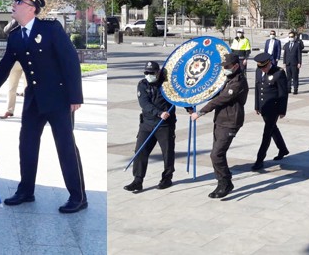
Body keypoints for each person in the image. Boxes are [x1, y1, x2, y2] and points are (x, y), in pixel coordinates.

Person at [0, 0, 87, 213]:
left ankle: (78, 196)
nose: (13, 6)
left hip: (58, 99)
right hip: (33, 101)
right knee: (26, 144)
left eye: (17, 2)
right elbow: (3, 69)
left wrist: (75, 96)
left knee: (65, 147)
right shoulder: (15, 36)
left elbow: (70, 61)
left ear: (31, 8)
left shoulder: (51, 29)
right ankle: (26, 190)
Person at [190, 53, 248, 199]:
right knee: (216, 154)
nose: (225, 69)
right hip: (220, 120)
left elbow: (221, 100)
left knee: (216, 154)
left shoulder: (238, 82)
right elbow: (214, 94)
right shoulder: (228, 79)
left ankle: (226, 182)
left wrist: (201, 112)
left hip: (230, 122)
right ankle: (222, 183)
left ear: (235, 66)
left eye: (227, 67)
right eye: (224, 67)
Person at [123, 61, 176, 192]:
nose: (148, 75)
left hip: (164, 125)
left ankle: (167, 178)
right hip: (147, 124)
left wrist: (190, 109)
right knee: (140, 151)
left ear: (158, 73)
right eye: (146, 72)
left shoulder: (167, 85)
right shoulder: (142, 84)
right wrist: (159, 113)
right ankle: (138, 180)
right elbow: (144, 103)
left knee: (167, 152)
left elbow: (178, 97)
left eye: (151, 73)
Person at [252, 52, 289, 171]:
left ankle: (259, 160)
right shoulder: (258, 71)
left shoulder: (279, 73)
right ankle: (283, 149)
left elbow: (283, 93)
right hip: (263, 108)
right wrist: (257, 105)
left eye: (264, 67)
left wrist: (282, 110)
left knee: (266, 134)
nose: (262, 70)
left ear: (269, 63)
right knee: (273, 129)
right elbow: (258, 88)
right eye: (260, 67)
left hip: (274, 108)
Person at [0, 20, 27, 119]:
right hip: (15, 60)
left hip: (28, 60)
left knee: (28, 88)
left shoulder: (33, 24)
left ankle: (28, 112)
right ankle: (9, 110)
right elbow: (6, 30)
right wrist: (16, 20)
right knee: (11, 87)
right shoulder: (15, 24)